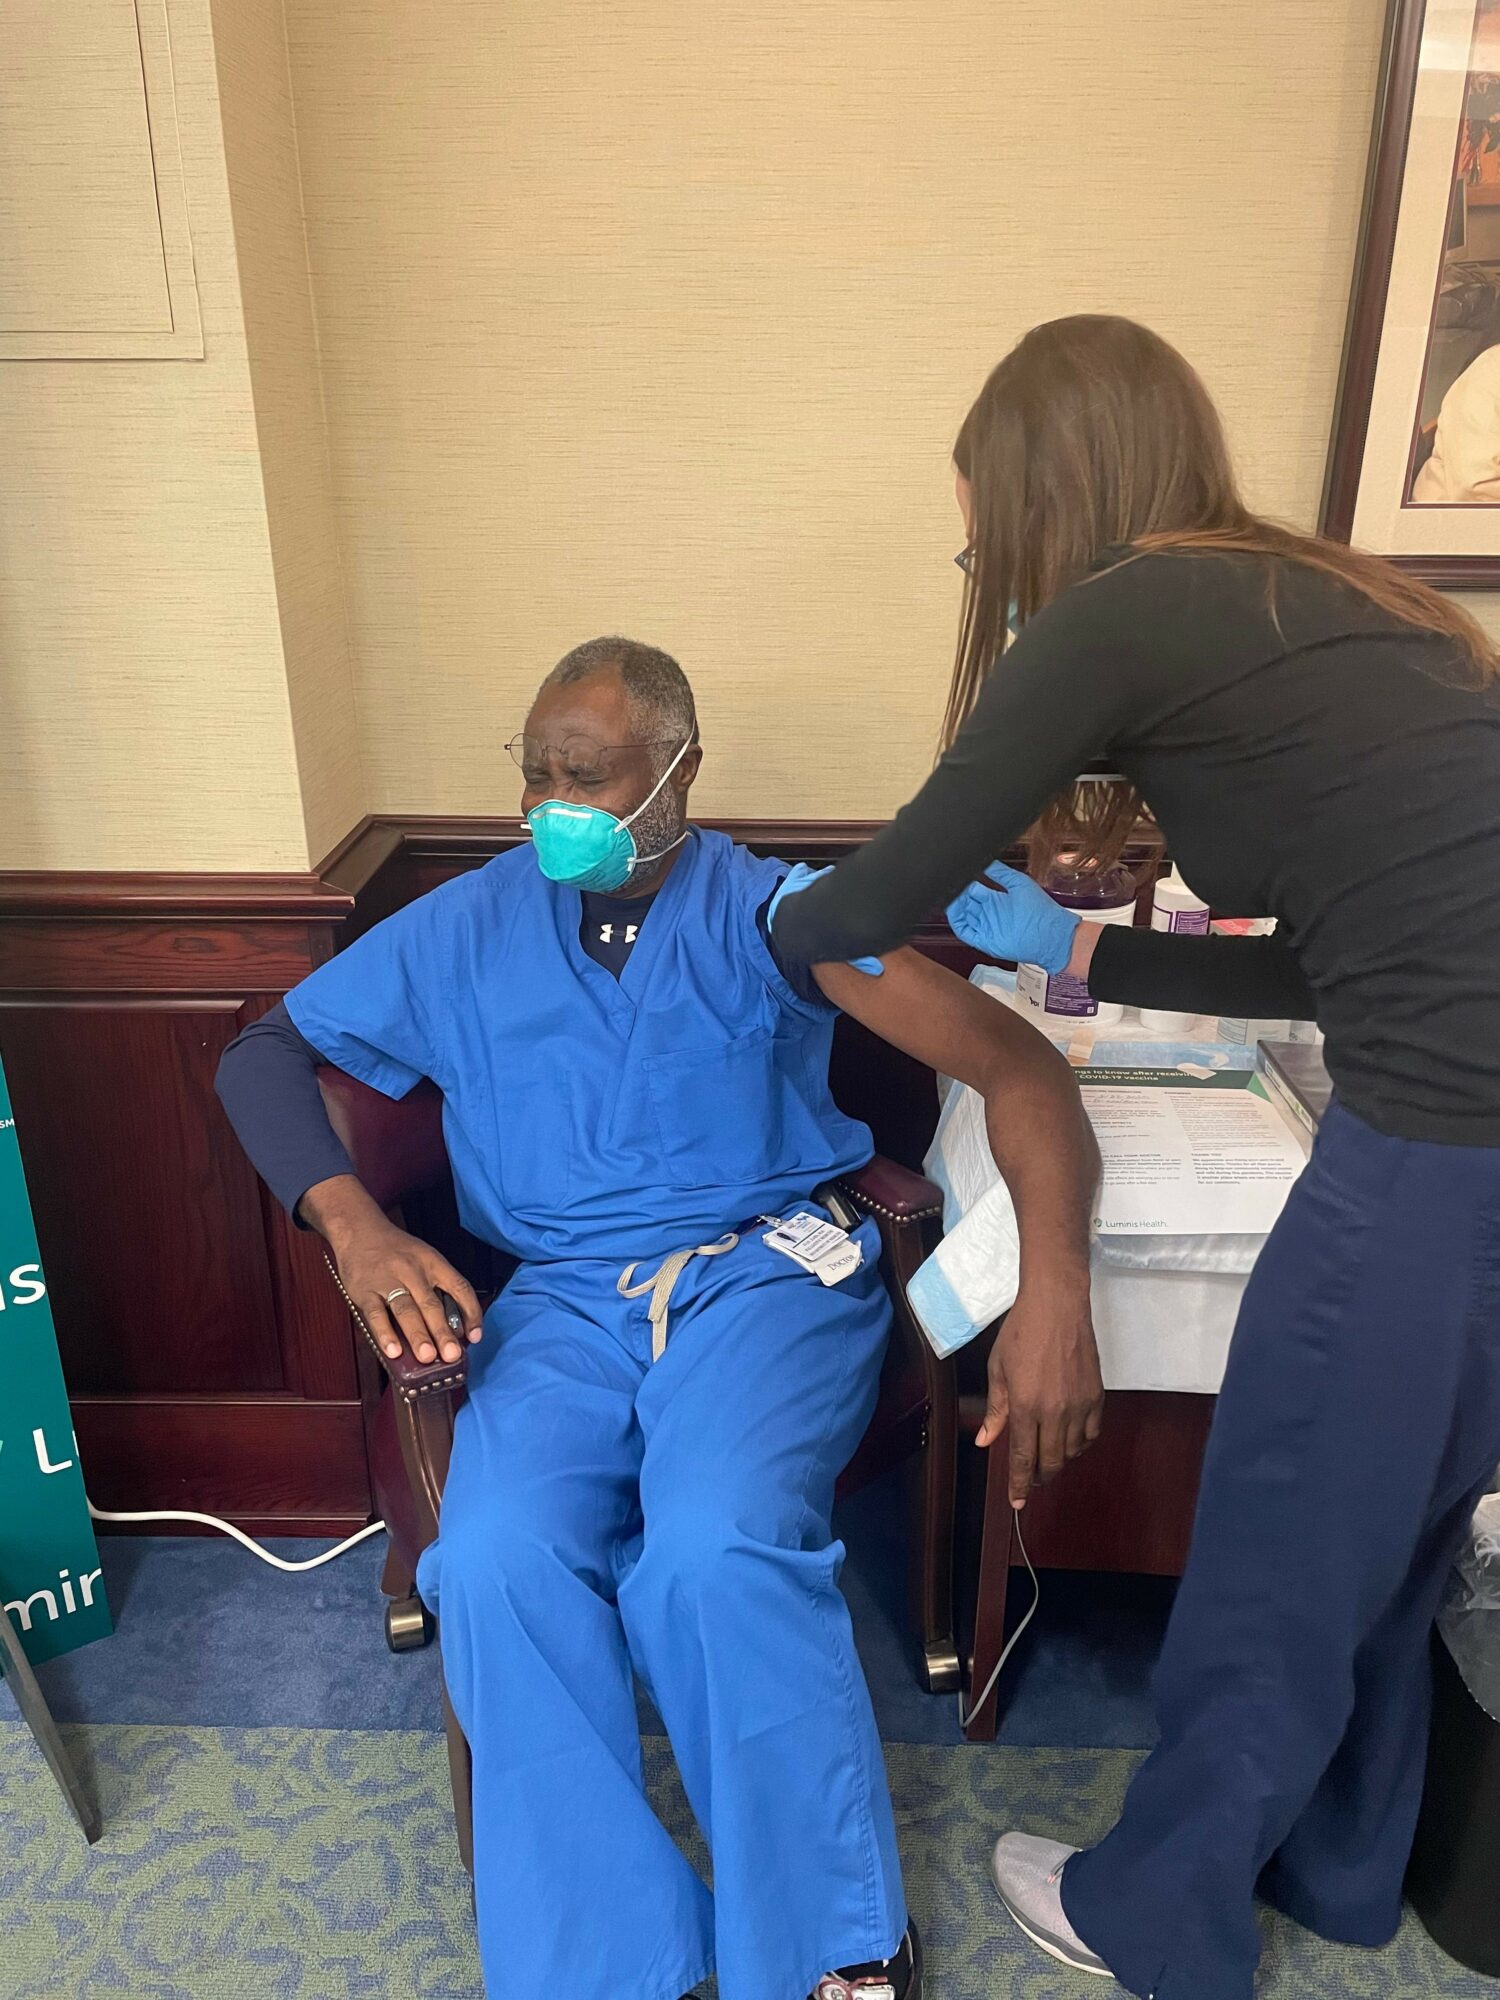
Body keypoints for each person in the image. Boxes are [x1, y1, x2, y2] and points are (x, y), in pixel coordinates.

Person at [770, 316, 1500, 2000]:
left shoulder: (1127, 606)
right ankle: (1341, 1869)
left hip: (1440, 1152)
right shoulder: (1327, 600)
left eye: (983, 546)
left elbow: (879, 894)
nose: (994, 580)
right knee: (1387, 1536)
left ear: (1046, 496)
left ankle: (1161, 1911)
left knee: (1282, 1538)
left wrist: (773, 924)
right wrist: (1088, 956)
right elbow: (1334, 963)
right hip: (1471, 1132)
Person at [215, 636, 1103, 2000]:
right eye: (536, 774)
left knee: (713, 1547)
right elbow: (265, 1053)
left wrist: (1056, 1293)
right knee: (493, 1561)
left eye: (589, 775)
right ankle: (614, 1957)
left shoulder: (781, 915)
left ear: (681, 771)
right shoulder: (465, 923)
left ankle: (834, 1941)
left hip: (765, 1283)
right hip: (561, 1303)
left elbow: (1024, 1072)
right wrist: (356, 1225)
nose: (553, 805)